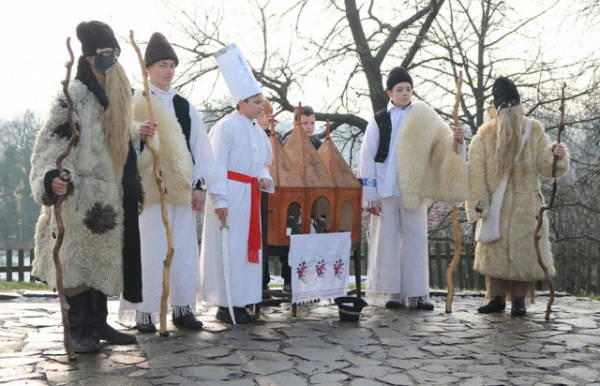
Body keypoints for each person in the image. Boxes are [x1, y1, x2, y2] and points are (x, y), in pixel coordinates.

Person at [30, 21, 146, 353]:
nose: (114, 58)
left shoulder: (116, 97)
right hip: (77, 193)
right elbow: (51, 142)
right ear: (92, 58)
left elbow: (120, 140)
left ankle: (97, 322)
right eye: (107, 53)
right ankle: (78, 328)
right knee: (77, 261)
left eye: (116, 52)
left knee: (102, 261)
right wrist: (52, 176)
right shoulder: (74, 96)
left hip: (108, 196)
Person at [118, 33, 224, 332]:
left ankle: (182, 308)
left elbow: (200, 148)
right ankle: (145, 312)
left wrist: (198, 186)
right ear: (148, 68)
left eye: (172, 65)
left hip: (179, 187)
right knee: (149, 249)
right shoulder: (136, 101)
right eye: (162, 64)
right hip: (147, 189)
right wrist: (140, 132)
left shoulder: (184, 106)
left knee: (183, 249)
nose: (168, 70)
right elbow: (121, 143)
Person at [358, 66, 469, 311]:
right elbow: (367, 157)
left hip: (414, 189)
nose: (405, 93)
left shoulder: (424, 116)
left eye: (408, 89)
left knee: (416, 240)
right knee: (386, 241)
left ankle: (418, 295)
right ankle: (393, 293)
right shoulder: (379, 119)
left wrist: (457, 140)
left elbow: (441, 145)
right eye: (400, 89)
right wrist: (370, 195)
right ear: (390, 93)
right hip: (385, 189)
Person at [466, 77, 569, 316]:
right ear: (497, 107)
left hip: (526, 206)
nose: (510, 107)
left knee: (525, 253)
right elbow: (475, 173)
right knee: (495, 249)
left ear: (520, 103)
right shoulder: (485, 135)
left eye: (514, 102)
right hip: (496, 205)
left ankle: (520, 300)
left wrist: (557, 156)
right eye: (505, 103)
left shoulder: (534, 131)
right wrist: (479, 202)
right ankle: (496, 297)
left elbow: (547, 167)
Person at [200, 44, 274, 324]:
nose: (260, 107)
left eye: (261, 102)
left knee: (245, 249)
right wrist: (219, 199)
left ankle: (243, 301)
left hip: (249, 195)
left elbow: (262, 162)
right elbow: (215, 165)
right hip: (231, 193)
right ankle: (225, 302)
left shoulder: (258, 132)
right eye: (256, 102)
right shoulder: (225, 127)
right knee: (229, 248)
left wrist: (264, 177)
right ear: (241, 102)